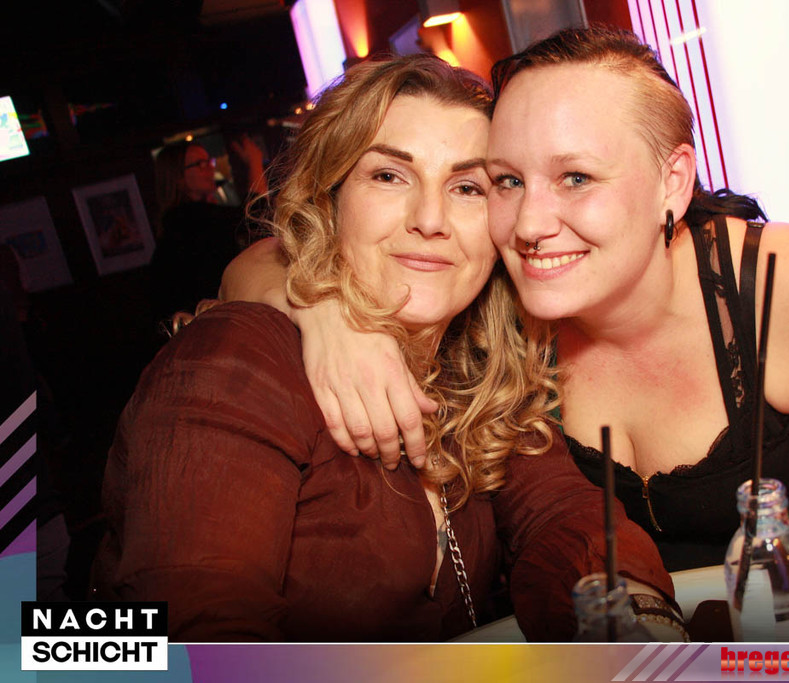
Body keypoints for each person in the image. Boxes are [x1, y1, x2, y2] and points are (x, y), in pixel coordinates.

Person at [220, 28, 789, 617]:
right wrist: (330, 316)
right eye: (505, 181)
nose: (531, 224)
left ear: (673, 180)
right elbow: (255, 267)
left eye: (576, 177)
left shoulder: (788, 288)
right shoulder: (490, 299)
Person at [91, 53, 681, 642]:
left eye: (468, 187)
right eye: (389, 176)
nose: (430, 219)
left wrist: (636, 617)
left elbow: (562, 515)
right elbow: (197, 636)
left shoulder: (471, 373)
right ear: (329, 199)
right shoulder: (237, 363)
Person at [149, 135, 267, 324]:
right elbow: (255, 216)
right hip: (212, 321)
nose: (210, 168)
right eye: (200, 164)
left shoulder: (187, 218)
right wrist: (254, 162)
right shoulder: (186, 219)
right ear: (178, 177)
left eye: (208, 161)